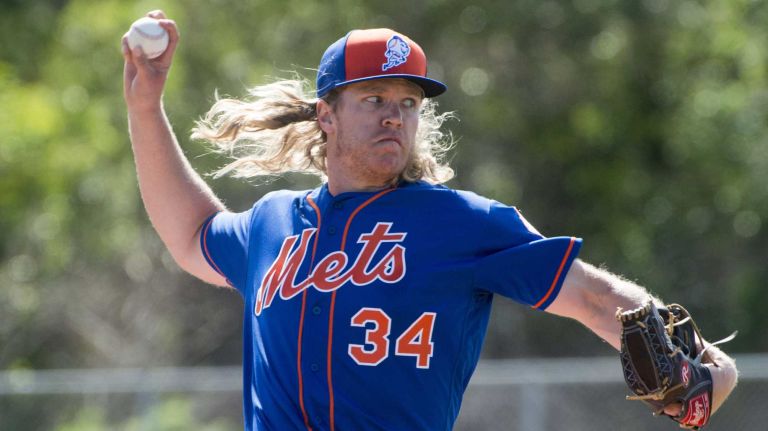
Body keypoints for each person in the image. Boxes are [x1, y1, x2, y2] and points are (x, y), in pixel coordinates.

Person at [122, 10, 738, 431]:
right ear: (326, 115)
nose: (395, 115)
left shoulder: (460, 223)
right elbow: (190, 234)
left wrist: (708, 360)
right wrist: (145, 106)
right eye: (374, 99)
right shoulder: (271, 224)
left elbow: (592, 296)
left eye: (408, 103)